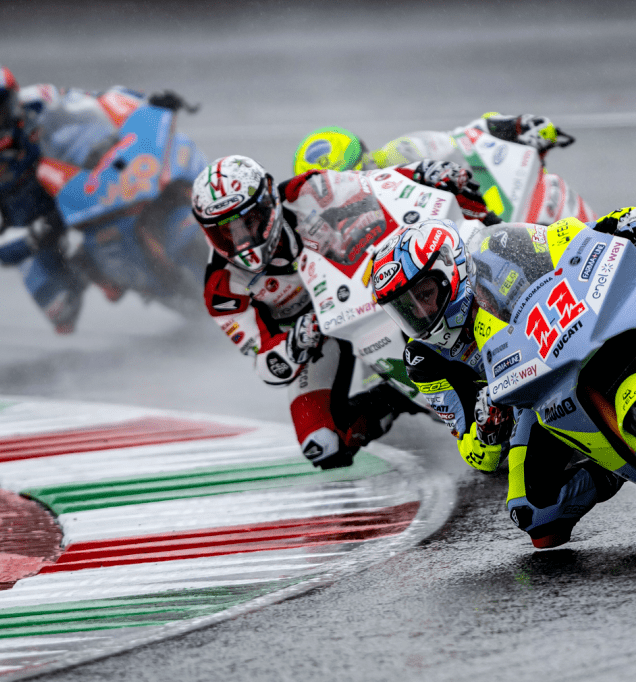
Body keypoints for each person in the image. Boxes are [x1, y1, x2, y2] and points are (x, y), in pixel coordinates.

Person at [369, 209, 636, 548]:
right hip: (532, 396)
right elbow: (474, 454)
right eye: (405, 308)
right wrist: (486, 430)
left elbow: (569, 236)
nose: (421, 314)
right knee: (535, 517)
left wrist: (627, 221)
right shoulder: (424, 361)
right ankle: (610, 464)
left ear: (451, 270)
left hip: (579, 321)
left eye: (425, 294)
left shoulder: (496, 248)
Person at [190, 154, 495, 468]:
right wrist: (295, 343)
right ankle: (394, 396)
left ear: (268, 201)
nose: (242, 240)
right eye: (226, 232)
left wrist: (422, 172)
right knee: (322, 444)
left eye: (249, 221)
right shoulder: (222, 287)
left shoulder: (304, 191)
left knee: (416, 292)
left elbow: (375, 183)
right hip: (315, 341)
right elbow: (267, 363)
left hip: (355, 294)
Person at [0, 56, 201, 333]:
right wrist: (33, 235)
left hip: (69, 181)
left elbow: (97, 103)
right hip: (33, 221)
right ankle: (91, 269)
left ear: (13, 100)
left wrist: (145, 103)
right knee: (60, 308)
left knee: (137, 163)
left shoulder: (39, 99)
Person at [292, 113, 596, 225]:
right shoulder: (326, 231)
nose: (352, 189)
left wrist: (511, 126)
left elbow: (460, 139)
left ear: (368, 156)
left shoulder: (399, 153)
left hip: (461, 231)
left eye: (359, 171)